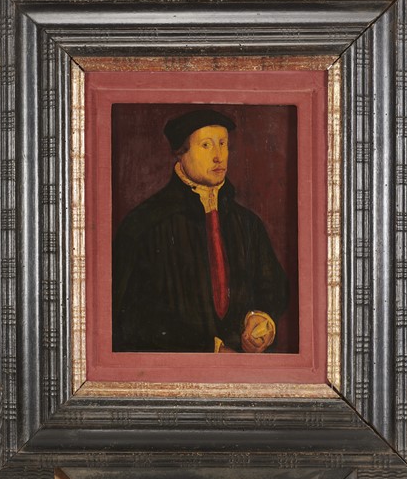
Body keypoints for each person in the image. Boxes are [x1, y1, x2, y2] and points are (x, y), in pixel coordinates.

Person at [112, 109, 288, 353]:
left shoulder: (248, 224)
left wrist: (262, 319)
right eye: (206, 145)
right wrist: (210, 349)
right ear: (180, 153)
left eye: (223, 144)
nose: (218, 157)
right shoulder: (144, 226)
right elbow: (132, 319)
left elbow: (273, 288)